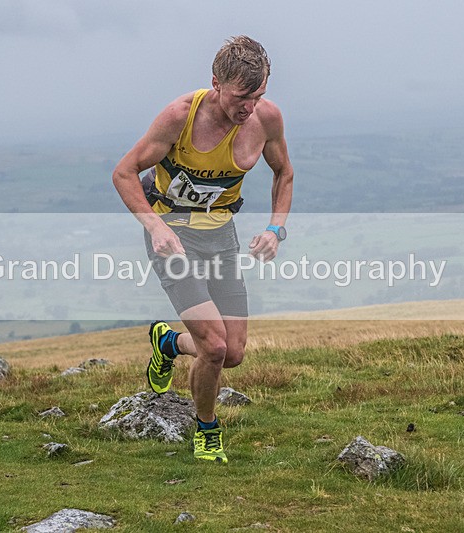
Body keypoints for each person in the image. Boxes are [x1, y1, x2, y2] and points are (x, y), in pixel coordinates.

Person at [112, 35, 293, 463]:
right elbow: (124, 173)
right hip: (173, 238)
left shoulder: (267, 119)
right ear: (216, 82)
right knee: (213, 347)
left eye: (258, 95)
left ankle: (168, 344)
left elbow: (284, 173)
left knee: (233, 353)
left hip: (220, 236)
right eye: (241, 97)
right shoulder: (180, 117)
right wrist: (155, 226)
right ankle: (207, 429)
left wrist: (275, 229)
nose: (249, 107)